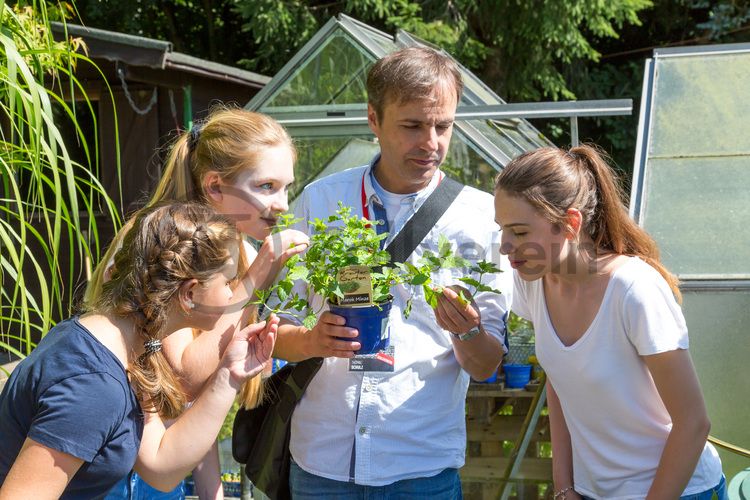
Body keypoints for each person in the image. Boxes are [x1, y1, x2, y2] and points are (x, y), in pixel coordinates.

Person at [272, 46, 513, 497]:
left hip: (420, 468)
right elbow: (273, 328)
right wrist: (311, 340)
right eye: (413, 126)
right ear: (373, 119)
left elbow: (485, 366)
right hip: (323, 464)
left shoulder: (480, 217)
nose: (431, 143)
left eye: (443, 126)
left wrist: (466, 333)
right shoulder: (322, 203)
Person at [85, 107, 308, 499]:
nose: (283, 204)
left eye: (286, 187)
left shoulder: (236, 246)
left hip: (165, 466)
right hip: (119, 474)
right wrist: (256, 277)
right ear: (216, 188)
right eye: (266, 186)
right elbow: (182, 380)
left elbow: (196, 403)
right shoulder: (154, 244)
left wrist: (212, 492)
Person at [0, 201, 278, 498]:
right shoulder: (93, 384)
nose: (230, 294)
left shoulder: (124, 346)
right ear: (190, 293)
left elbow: (160, 465)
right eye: (228, 281)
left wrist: (229, 375)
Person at [494, 145, 725, 500]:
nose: (505, 246)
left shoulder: (635, 290)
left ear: (570, 224)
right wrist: (564, 486)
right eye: (502, 230)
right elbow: (560, 383)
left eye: (520, 232)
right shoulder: (534, 284)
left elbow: (694, 424)